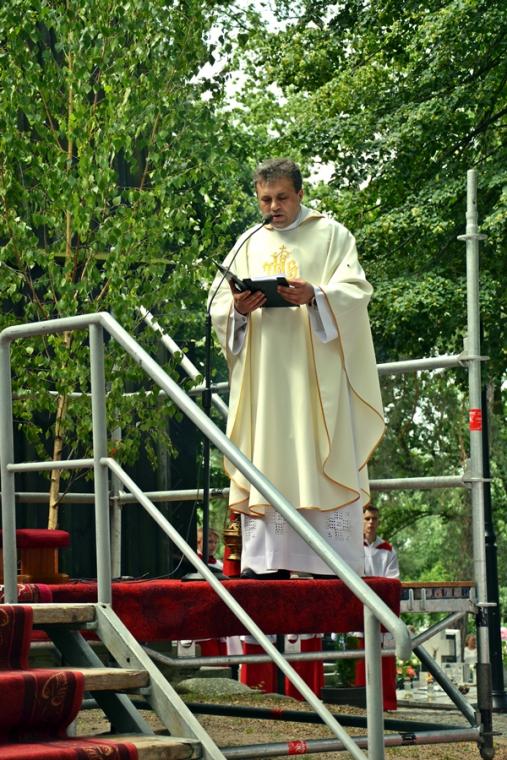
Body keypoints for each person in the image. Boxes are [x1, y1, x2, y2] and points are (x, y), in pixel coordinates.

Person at [209, 158, 384, 579]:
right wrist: (239, 309)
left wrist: (316, 295)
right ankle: (268, 563)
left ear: (301, 194)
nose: (273, 207)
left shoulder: (332, 236)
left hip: (316, 382)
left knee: (321, 454)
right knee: (269, 459)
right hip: (267, 385)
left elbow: (356, 293)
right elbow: (218, 305)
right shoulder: (248, 243)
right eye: (265, 200)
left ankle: (329, 563)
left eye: (282, 198)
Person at [354, 504, 400, 710]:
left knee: (386, 661)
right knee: (361, 659)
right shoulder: (353, 548)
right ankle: (361, 703)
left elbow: (393, 580)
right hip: (359, 609)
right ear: (361, 521)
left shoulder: (388, 550)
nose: (371, 522)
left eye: (374, 519)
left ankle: (387, 702)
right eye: (367, 518)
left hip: (383, 609)